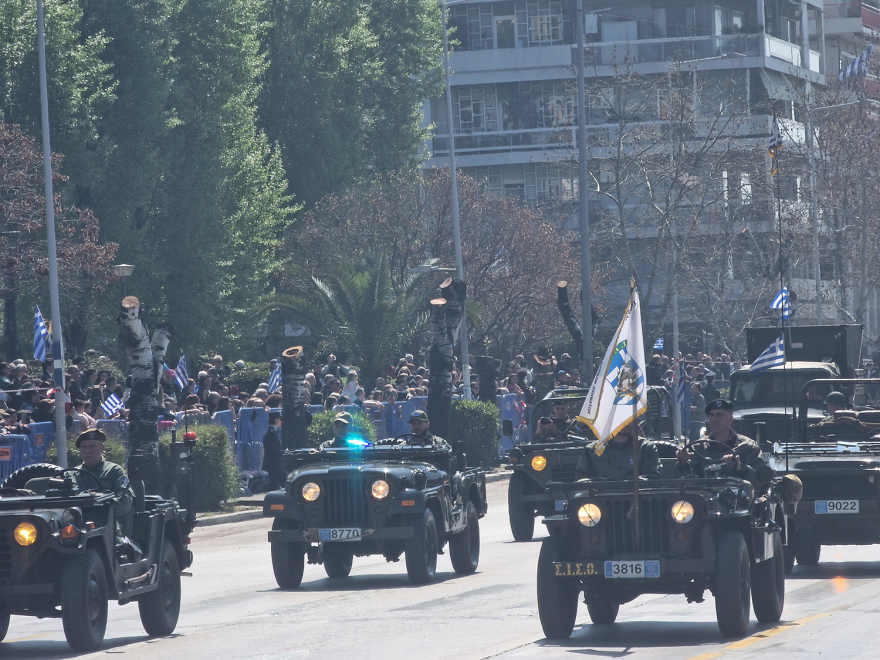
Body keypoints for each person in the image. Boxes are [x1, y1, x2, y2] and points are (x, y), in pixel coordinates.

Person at [675, 399, 765, 487]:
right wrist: (683, 463)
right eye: (711, 415)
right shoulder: (698, 447)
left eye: (719, 415)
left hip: (739, 499)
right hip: (704, 498)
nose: (714, 419)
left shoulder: (748, 446)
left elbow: (761, 480)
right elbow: (682, 482)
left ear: (730, 420)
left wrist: (739, 467)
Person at [75, 428, 134, 537]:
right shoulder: (71, 474)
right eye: (84, 447)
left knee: (119, 545)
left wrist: (104, 507)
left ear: (102, 448)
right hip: (74, 524)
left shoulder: (114, 471)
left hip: (106, 524)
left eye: (92, 446)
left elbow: (125, 500)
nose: (87, 451)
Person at [575, 418, 661, 481]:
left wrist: (634, 482)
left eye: (629, 418)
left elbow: (652, 477)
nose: (625, 422)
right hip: (600, 500)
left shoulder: (645, 448)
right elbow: (581, 478)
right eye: (621, 418)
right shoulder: (592, 450)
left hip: (637, 498)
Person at [261, 412, 285, 490]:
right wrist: (283, 452)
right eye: (280, 419)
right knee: (274, 484)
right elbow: (273, 449)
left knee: (275, 482)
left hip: (273, 462)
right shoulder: (272, 433)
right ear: (276, 419)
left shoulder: (272, 432)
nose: (281, 421)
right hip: (273, 462)